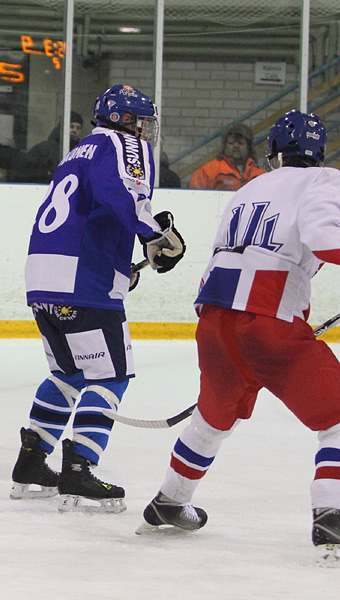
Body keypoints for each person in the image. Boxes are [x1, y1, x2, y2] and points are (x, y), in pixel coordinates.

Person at [138, 109, 340, 567]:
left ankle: (170, 500)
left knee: (212, 420)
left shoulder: (248, 189)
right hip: (268, 321)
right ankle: (333, 516)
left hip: (214, 319)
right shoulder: (325, 181)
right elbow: (326, 238)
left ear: (273, 154)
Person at [10, 84, 186, 513]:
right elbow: (122, 196)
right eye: (141, 121)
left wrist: (118, 266)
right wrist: (157, 236)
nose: (145, 130)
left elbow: (88, 212)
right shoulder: (123, 143)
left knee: (68, 375)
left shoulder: (79, 150)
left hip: (44, 278)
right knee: (110, 377)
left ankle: (32, 462)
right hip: (81, 283)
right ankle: (79, 469)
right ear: (125, 120)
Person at [9, 111, 84, 183]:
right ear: (62, 127)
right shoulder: (43, 149)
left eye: (78, 128)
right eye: (71, 126)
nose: (74, 130)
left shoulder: (81, 152)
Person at [189, 122, 265, 190]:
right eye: (231, 143)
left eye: (241, 143)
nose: (236, 146)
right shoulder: (207, 171)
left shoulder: (259, 173)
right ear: (224, 146)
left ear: (248, 148)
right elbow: (195, 197)